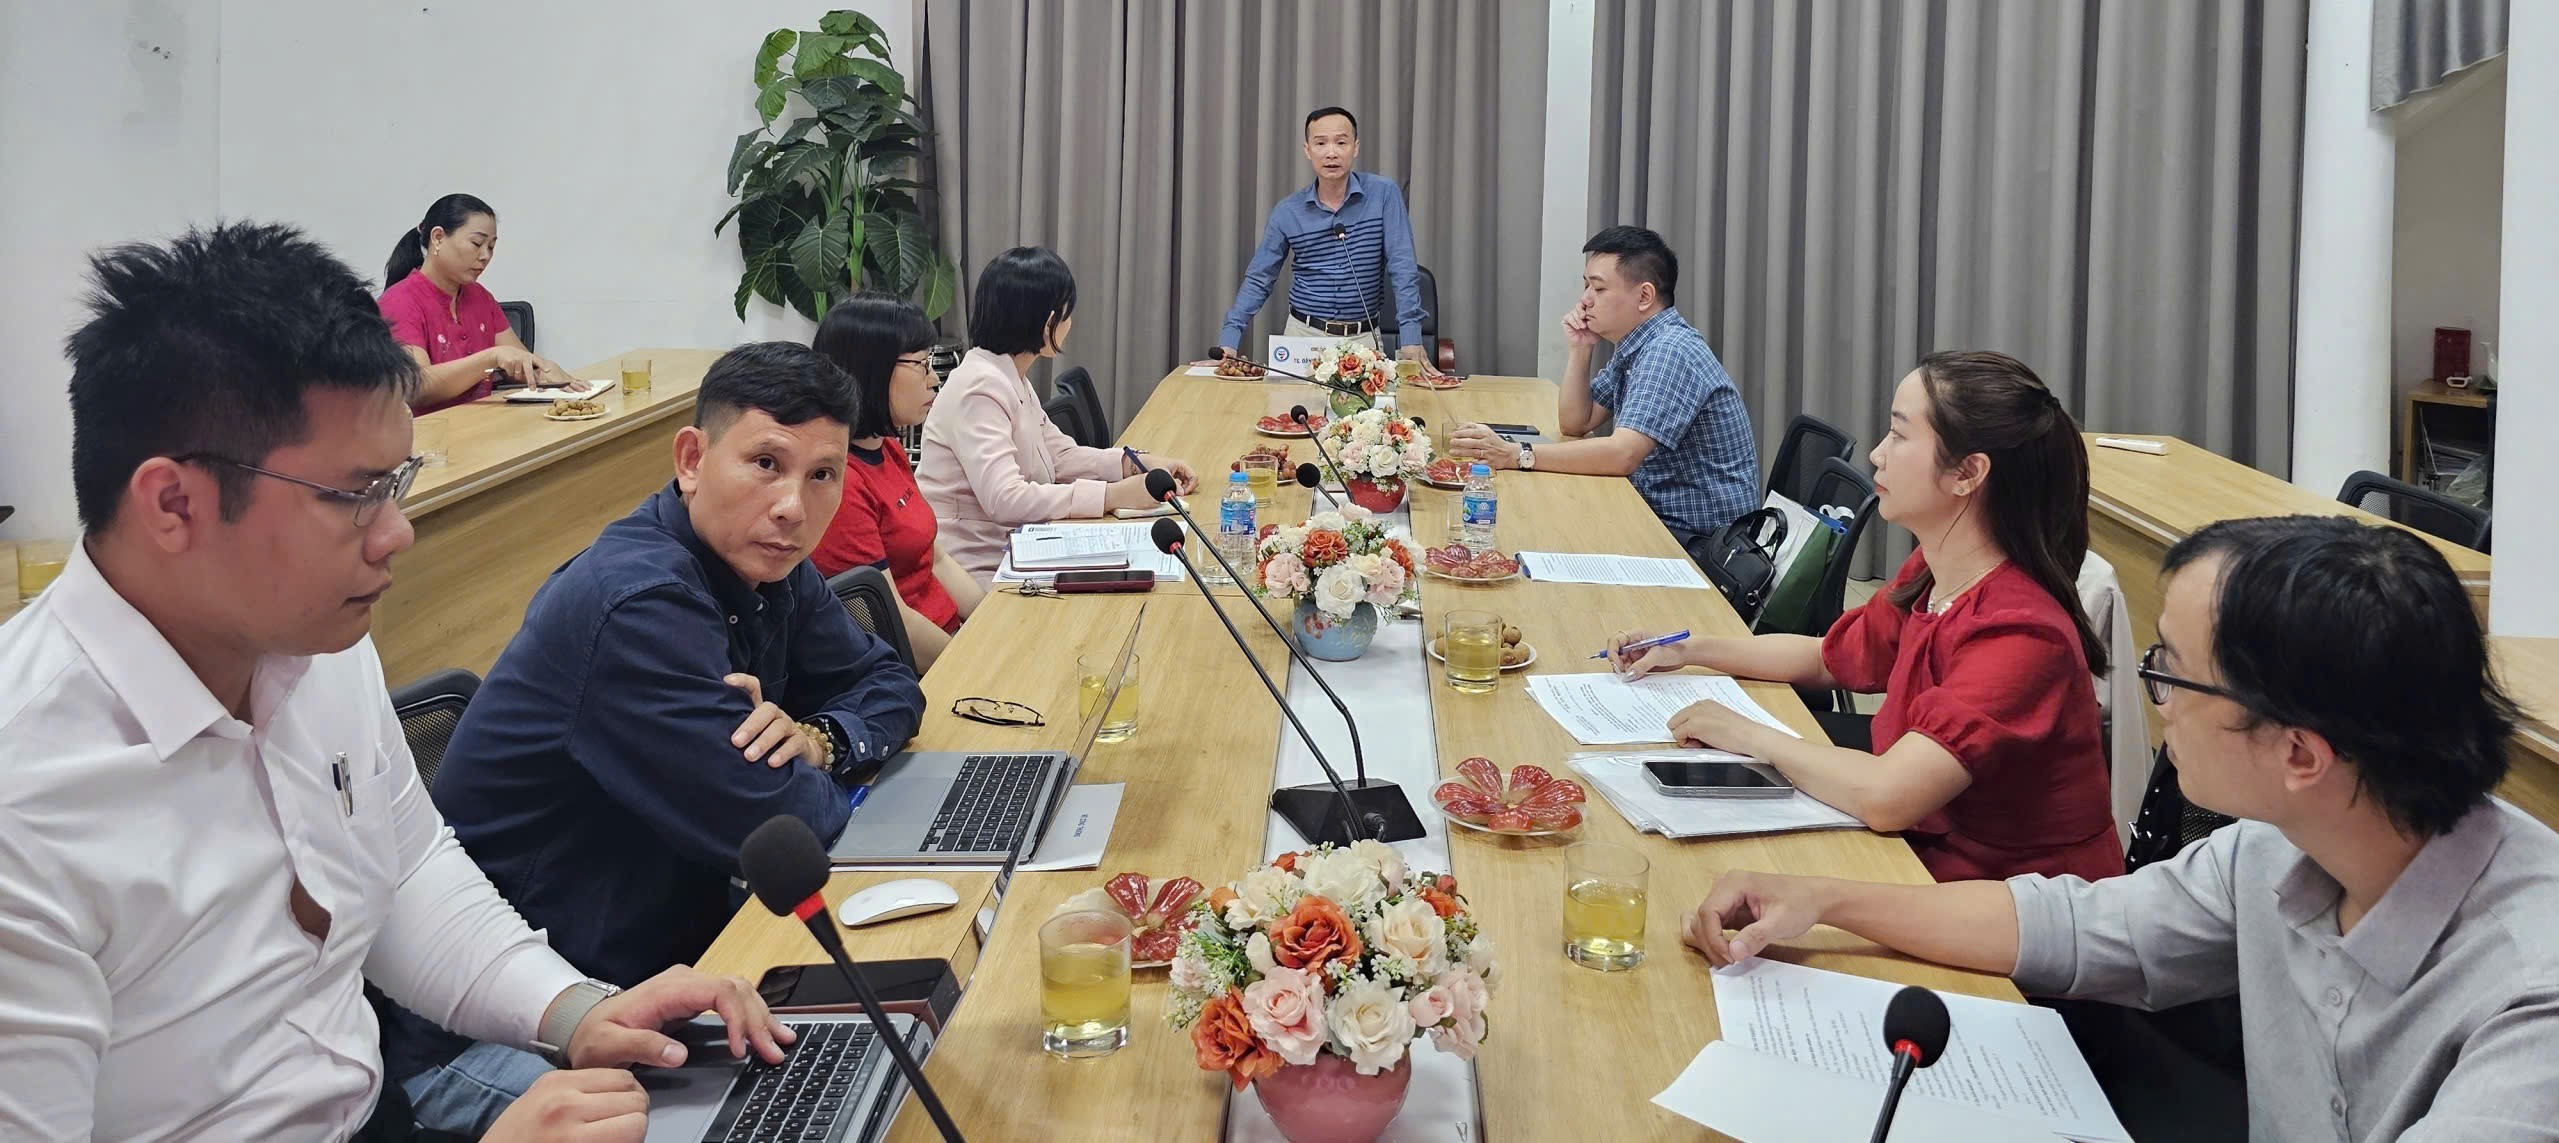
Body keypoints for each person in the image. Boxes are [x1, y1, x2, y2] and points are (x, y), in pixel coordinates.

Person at [0, 221, 788, 1141]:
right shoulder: (29, 800)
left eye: (397, 482)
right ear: (175, 503)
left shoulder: (314, 644)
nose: (396, 533)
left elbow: (405, 870)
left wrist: (574, 1010)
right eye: (356, 495)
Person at [1681, 515, 2557, 1141]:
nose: (2154, 700)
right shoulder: (2277, 843)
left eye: (2172, 673)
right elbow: (2074, 925)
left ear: (2299, 752)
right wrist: (1821, 899)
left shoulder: (2531, 997)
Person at [392, 341, 928, 1132]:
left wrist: (817, 738)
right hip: (497, 1031)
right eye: (765, 463)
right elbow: (783, 822)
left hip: (662, 972)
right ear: (691, 460)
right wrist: (793, 777)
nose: (792, 504)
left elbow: (889, 683)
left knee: (897, 1070)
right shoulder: (636, 604)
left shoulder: (764, 561)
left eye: (822, 474)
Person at [1610, 351, 2120, 882]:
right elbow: (1827, 658)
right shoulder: (1935, 570)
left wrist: (1744, 734)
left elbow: (1887, 796)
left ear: (1968, 474)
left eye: (1899, 435)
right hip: (1917, 856)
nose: (1877, 454)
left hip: (2004, 901)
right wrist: (1688, 649)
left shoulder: (2021, 633)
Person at [1447, 226, 1756, 547]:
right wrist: (1580, 349)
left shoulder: (1669, 350)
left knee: (1534, 530)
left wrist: (1516, 454)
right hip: (1654, 515)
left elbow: (1622, 455)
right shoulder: (1638, 345)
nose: (1584, 300)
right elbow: (1576, 422)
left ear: (1645, 296)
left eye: (1598, 288)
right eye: (1585, 286)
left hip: (1697, 541)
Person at [918, 246, 1198, 582]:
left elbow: (1060, 456)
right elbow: (1005, 499)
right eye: (1067, 314)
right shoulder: (979, 388)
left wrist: (1135, 463)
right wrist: (1112, 496)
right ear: (1048, 321)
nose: (1070, 323)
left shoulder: (1007, 376)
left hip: (1019, 549)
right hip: (977, 570)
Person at [811, 293, 984, 671]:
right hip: (917, 667)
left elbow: (937, 558)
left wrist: (990, 624)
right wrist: (975, 668)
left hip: (951, 638)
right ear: (872, 369)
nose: (934, 379)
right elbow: (893, 622)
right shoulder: (841, 484)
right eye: (922, 365)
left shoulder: (887, 447)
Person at [1217, 106, 1434, 366]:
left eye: (1341, 142)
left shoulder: (1383, 194)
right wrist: (1229, 339)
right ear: (1307, 150)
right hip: (1302, 337)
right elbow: (1259, 278)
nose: (1331, 153)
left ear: (1355, 148)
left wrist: (1411, 337)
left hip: (1362, 339)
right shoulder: (1288, 211)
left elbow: (1402, 266)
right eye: (1320, 143)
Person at [378, 193, 576, 413]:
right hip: (429, 431)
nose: (485, 256)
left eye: (491, 247)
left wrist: (545, 372)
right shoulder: (400, 302)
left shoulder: (480, 297)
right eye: (477, 243)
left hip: (482, 423)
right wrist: (491, 358)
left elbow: (518, 361)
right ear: (438, 238)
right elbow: (417, 386)